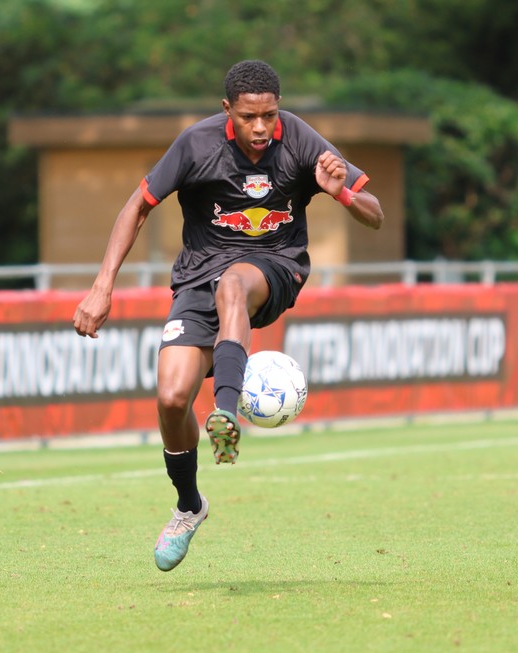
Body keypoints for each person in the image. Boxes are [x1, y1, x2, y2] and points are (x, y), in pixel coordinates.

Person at [72, 60, 384, 572]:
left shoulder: (303, 142)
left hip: (275, 267)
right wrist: (102, 287)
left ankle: (226, 411)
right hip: (199, 276)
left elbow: (375, 216)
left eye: (269, 115)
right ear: (227, 111)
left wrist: (343, 193)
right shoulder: (196, 145)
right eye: (248, 117)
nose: (260, 128)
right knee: (172, 398)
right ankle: (189, 506)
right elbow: (137, 206)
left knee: (235, 283)